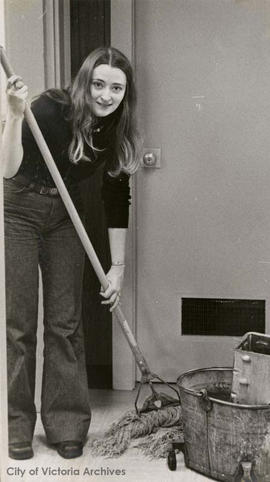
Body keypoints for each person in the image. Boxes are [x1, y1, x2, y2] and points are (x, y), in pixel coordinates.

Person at [2, 46, 141, 460]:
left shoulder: (116, 129)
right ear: (85, 82)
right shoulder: (49, 108)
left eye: (116, 87)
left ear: (125, 92)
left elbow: (117, 198)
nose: (105, 95)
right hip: (19, 210)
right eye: (98, 84)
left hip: (66, 215)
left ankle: (66, 424)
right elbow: (7, 168)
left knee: (65, 322)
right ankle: (17, 427)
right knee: (19, 323)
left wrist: (117, 268)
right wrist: (12, 113)